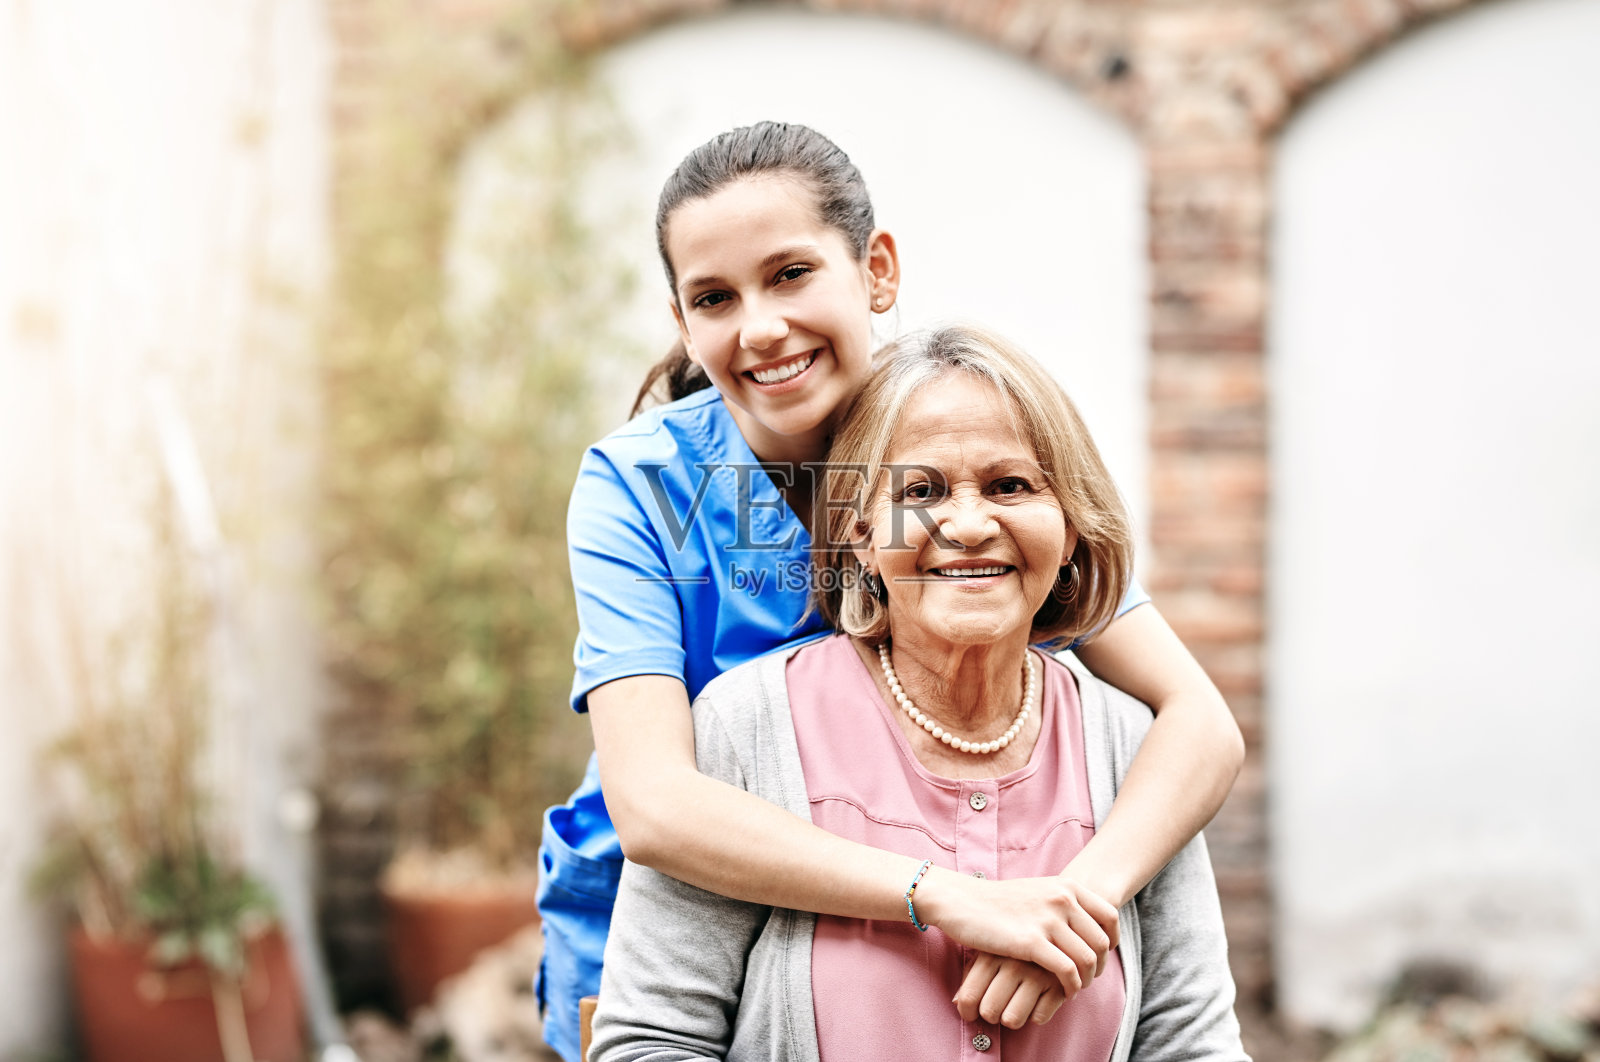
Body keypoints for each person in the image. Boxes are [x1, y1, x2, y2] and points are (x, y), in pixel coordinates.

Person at [538, 122, 1244, 1062]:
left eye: (791, 274)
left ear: (875, 270)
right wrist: (946, 891)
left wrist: (1079, 904)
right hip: (682, 914)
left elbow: (1199, 722)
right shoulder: (649, 486)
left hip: (950, 915)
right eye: (715, 297)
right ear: (683, 322)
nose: (760, 327)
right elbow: (658, 804)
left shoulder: (952, 442)